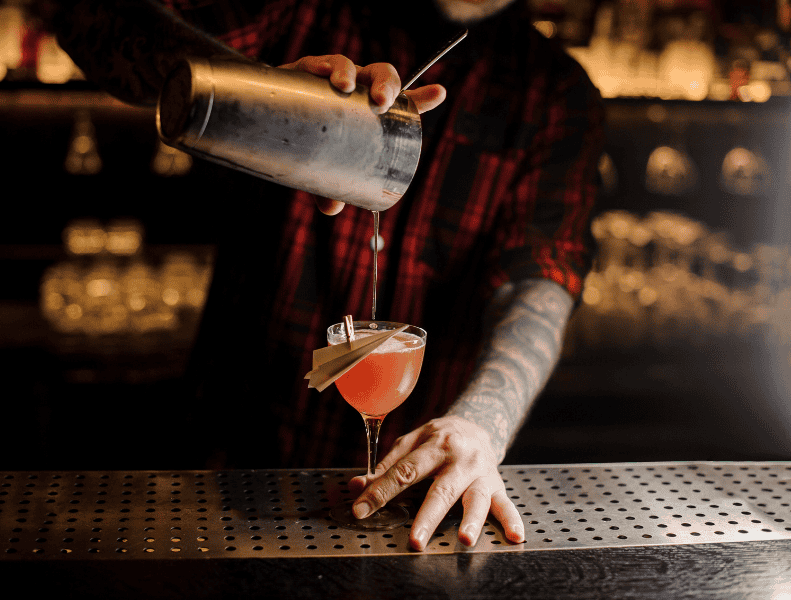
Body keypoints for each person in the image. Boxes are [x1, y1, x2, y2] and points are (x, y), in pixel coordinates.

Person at [51, 0, 605, 551]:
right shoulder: (304, 7)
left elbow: (540, 283)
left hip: (405, 504)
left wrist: (482, 423)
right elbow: (90, 19)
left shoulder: (556, 94)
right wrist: (260, 91)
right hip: (228, 470)